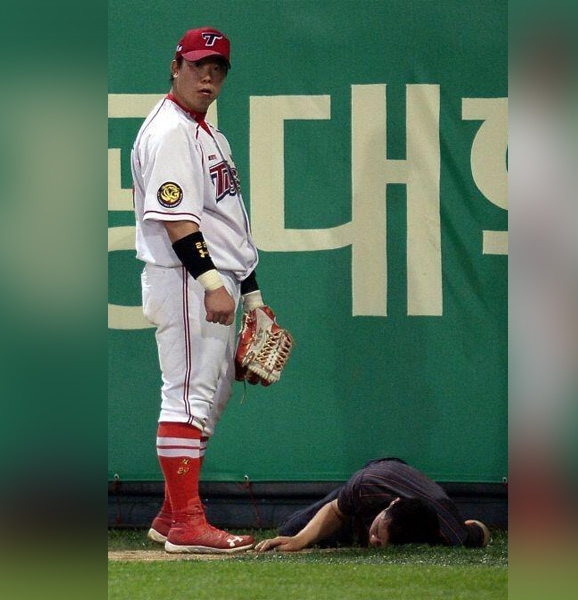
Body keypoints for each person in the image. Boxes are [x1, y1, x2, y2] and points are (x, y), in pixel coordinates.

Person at [131, 27, 266, 554]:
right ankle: (188, 523)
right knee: (187, 395)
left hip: (216, 280)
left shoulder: (209, 133)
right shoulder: (169, 132)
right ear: (175, 66)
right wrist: (212, 282)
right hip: (186, 277)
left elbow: (229, 222)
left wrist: (251, 295)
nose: (207, 75)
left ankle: (170, 515)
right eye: (197, 65)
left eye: (218, 68)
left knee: (208, 399)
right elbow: (177, 221)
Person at [255, 458, 491, 551]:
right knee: (289, 532)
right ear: (392, 504)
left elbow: (481, 531)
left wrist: (466, 527)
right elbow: (335, 509)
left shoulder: (447, 530)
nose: (373, 539)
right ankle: (352, 528)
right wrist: (299, 540)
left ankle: (356, 532)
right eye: (377, 531)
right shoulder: (366, 486)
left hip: (402, 503)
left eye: (383, 542)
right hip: (371, 485)